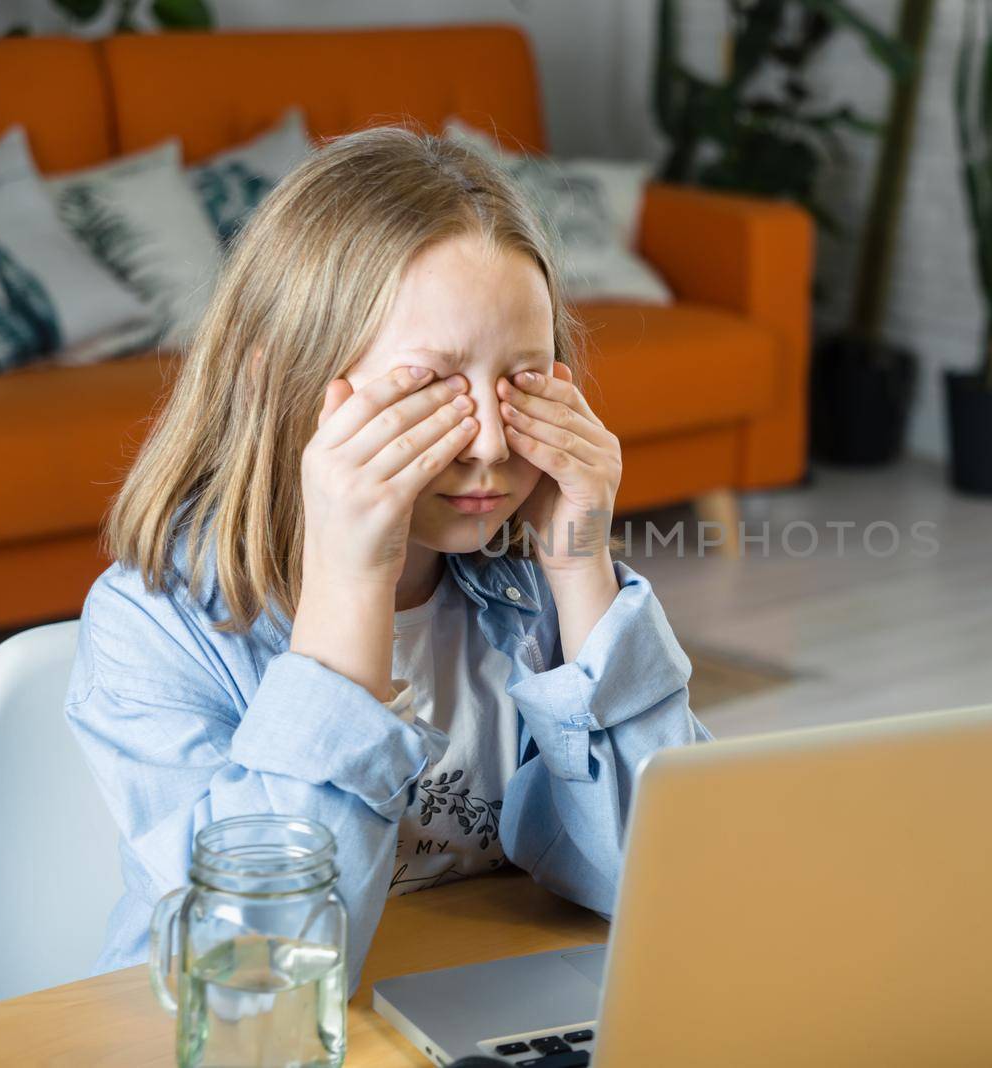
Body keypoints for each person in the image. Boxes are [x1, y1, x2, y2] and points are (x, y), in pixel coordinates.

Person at [64, 125, 710, 990]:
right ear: (275, 383)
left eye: (523, 379)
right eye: (430, 385)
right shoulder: (149, 627)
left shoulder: (534, 591)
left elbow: (671, 882)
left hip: (478, 1000)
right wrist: (351, 579)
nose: (486, 441)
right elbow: (265, 967)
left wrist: (580, 564)